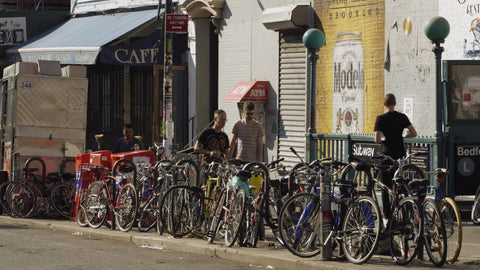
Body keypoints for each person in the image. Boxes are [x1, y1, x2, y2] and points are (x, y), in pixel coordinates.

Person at [374, 93, 417, 219]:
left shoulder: (380, 118)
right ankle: (404, 207)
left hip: (387, 155)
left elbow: (377, 139)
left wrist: (383, 140)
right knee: (399, 182)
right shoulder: (402, 117)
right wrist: (403, 136)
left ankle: (387, 215)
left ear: (384, 104)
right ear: (395, 103)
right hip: (400, 154)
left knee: (385, 187)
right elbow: (413, 133)